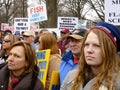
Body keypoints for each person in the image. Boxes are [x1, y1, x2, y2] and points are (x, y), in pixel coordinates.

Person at [60, 22, 120, 90]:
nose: (89, 50)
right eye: (87, 44)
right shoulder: (71, 76)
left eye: (96, 45)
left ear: (109, 50)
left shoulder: (117, 82)